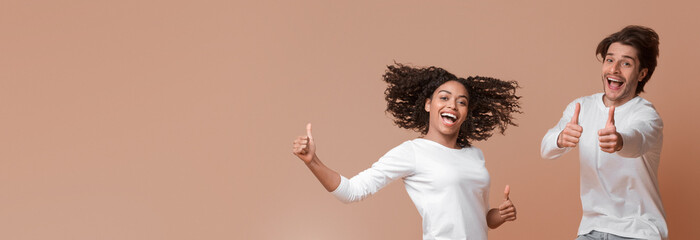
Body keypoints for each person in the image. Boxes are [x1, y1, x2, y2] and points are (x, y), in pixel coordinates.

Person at [292, 63, 521, 239]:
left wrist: (500, 215)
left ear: (467, 112)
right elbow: (352, 191)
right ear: (428, 105)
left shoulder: (475, 155)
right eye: (444, 98)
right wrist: (313, 162)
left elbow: (481, 219)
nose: (452, 105)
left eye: (461, 102)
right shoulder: (413, 152)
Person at [540, 25, 667, 240]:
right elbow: (546, 149)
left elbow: (639, 139)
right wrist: (561, 139)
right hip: (591, 228)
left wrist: (620, 141)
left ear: (642, 73)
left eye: (626, 63)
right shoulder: (581, 107)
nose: (614, 69)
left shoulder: (647, 115)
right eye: (609, 60)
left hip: (639, 230)